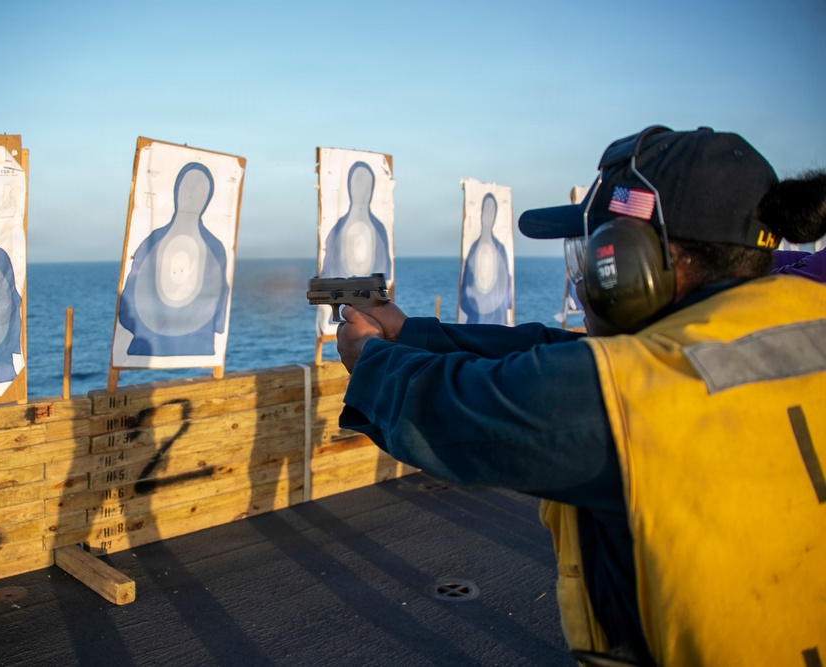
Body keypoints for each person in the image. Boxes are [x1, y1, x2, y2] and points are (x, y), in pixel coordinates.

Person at [334, 126, 826, 667]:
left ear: (642, 262)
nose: (584, 278)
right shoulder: (794, 325)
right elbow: (559, 350)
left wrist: (369, 357)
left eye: (596, 254)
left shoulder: (635, 392)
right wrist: (411, 332)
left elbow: (452, 409)